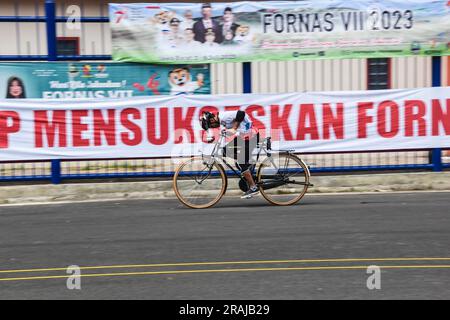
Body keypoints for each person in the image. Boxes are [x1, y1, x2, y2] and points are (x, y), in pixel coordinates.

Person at [200, 110, 260, 199]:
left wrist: (234, 128)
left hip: (251, 136)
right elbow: (230, 127)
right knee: (225, 151)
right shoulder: (222, 120)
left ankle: (253, 187)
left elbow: (241, 113)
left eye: (210, 125)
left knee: (241, 162)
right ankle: (247, 165)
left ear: (212, 120)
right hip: (243, 136)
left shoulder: (224, 116)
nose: (212, 127)